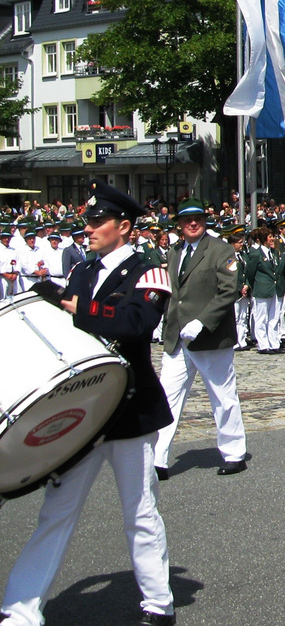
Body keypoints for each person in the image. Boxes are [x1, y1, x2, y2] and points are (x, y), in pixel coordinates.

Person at [2, 183, 176, 626]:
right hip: (83, 412)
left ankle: (159, 603)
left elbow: (138, 323)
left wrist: (82, 310)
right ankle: (20, 611)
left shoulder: (150, 270)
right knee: (54, 514)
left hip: (130, 412)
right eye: (88, 220)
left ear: (124, 226)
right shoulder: (81, 271)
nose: (90, 228)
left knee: (140, 511)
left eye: (98, 222)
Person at [153, 198, 247, 480]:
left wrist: (202, 322)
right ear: (179, 224)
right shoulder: (174, 251)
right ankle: (157, 458)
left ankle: (234, 453)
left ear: (204, 222)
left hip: (210, 337)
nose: (192, 223)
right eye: (186, 220)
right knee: (167, 398)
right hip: (177, 336)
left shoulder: (220, 249)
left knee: (222, 395)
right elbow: (172, 292)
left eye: (197, 219)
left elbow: (228, 291)